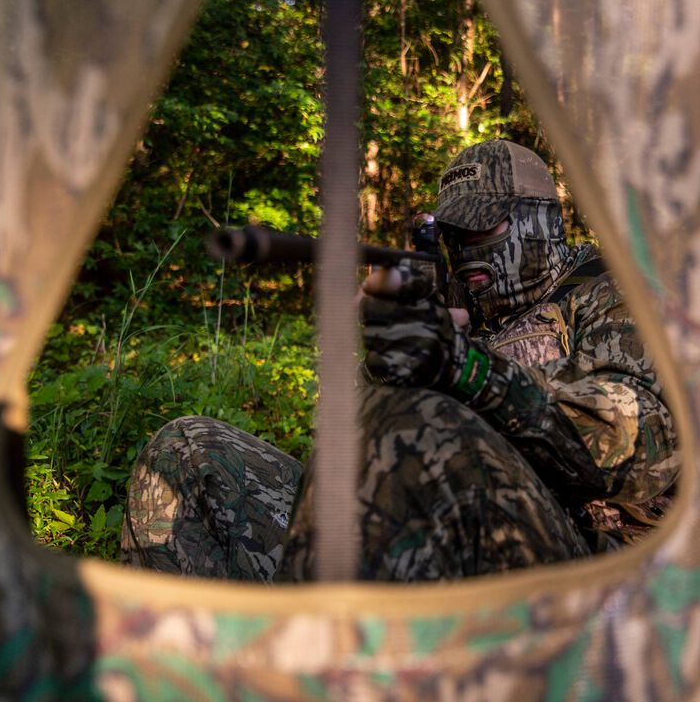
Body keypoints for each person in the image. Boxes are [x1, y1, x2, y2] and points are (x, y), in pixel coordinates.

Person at [121, 140, 678, 582]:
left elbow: (645, 447)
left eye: (481, 225)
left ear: (542, 221)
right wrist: (381, 369)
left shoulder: (613, 292)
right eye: (451, 234)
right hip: (414, 532)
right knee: (189, 450)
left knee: (418, 423)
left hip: (579, 563)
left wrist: (466, 370)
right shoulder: (449, 305)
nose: (463, 247)